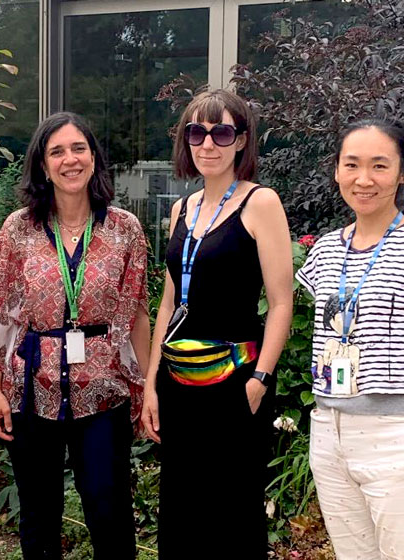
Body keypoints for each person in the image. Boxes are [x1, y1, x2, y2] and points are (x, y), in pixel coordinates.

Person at [0, 112, 151, 560]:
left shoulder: (124, 229)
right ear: (42, 165)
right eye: (57, 152)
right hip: (31, 389)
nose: (69, 160)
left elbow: (137, 313)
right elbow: (1, 314)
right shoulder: (19, 228)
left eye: (78, 148)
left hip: (104, 391)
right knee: (39, 516)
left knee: (109, 512)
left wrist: (147, 387)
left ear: (93, 157)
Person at [295, 119, 404, 560]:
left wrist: (403, 400)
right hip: (329, 431)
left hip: (396, 437)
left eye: (379, 165)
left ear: (403, 173)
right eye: (351, 164)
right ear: (337, 170)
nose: (363, 179)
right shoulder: (325, 250)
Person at [142, 89, 294, 558]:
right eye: (197, 133)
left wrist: (260, 379)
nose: (208, 144)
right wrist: (151, 384)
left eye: (221, 133)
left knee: (233, 509)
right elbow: (169, 303)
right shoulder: (181, 209)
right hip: (179, 381)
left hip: (236, 379)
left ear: (241, 140)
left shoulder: (260, 203)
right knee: (182, 506)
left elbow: (281, 302)